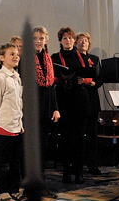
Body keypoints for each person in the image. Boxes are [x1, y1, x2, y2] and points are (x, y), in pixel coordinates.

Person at [51, 27, 93, 184]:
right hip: (64, 100)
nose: (68, 40)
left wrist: (85, 80)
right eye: (64, 38)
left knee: (79, 138)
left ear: (74, 40)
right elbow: (52, 77)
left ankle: (79, 172)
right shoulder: (55, 57)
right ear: (60, 41)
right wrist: (61, 79)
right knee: (65, 139)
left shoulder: (81, 56)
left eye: (70, 38)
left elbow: (91, 75)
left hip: (80, 101)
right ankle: (66, 172)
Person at [0, 42, 24, 201]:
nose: (16, 56)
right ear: (2, 58)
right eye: (11, 54)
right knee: (3, 163)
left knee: (15, 161)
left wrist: (20, 123)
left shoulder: (16, 77)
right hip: (4, 127)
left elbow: (18, 102)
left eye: (17, 54)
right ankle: (1, 191)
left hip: (17, 126)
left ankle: (14, 190)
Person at [32, 26, 61, 183]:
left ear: (46, 40)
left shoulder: (48, 59)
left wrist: (55, 108)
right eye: (35, 38)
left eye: (41, 38)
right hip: (32, 108)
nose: (38, 41)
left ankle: (41, 174)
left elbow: (51, 87)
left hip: (46, 107)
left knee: (43, 143)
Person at [76, 32, 103, 176]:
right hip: (79, 100)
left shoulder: (94, 59)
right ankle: (78, 166)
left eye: (85, 40)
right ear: (76, 43)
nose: (83, 42)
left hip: (92, 99)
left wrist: (92, 82)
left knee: (92, 134)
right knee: (79, 134)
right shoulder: (73, 58)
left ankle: (93, 165)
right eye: (80, 40)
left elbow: (100, 79)